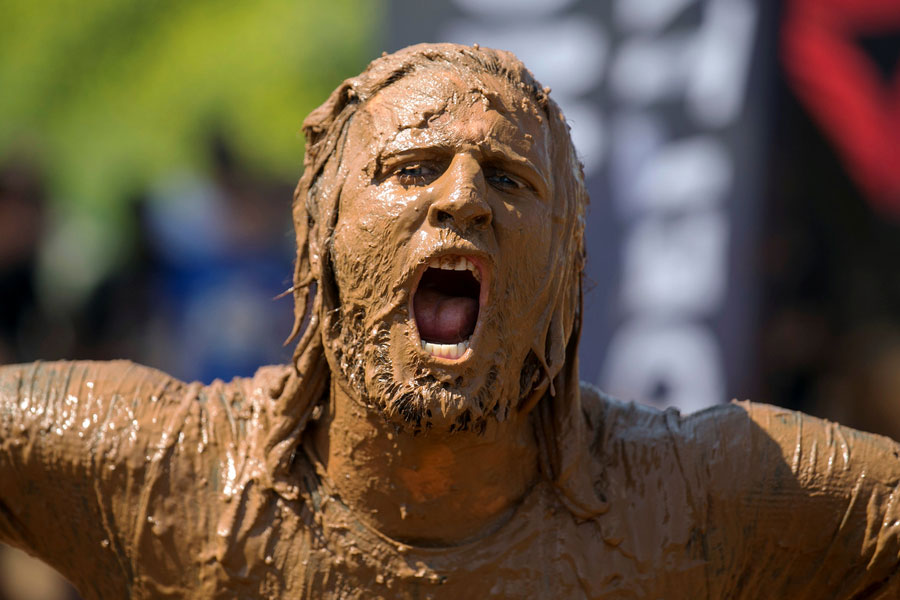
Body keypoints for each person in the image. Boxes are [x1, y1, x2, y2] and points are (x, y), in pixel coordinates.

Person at [1, 43, 899, 600]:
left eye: (510, 179)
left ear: (569, 268)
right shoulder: (170, 475)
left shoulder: (692, 501)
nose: (462, 197)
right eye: (411, 168)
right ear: (319, 233)